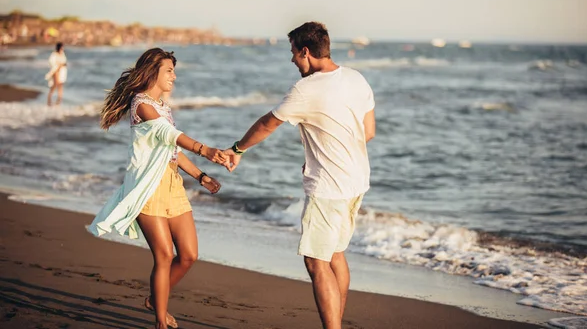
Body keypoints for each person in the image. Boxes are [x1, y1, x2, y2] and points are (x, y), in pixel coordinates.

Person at [224, 22, 376, 329]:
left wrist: (237, 149)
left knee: (315, 261)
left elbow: (268, 124)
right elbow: (368, 132)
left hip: (329, 189)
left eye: (293, 53)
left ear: (305, 51)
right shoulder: (356, 78)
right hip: (357, 181)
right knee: (335, 254)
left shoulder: (306, 89)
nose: (292, 60)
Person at [88, 48, 229, 329]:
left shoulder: (163, 107)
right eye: (169, 71)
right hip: (148, 187)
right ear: (153, 71)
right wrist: (206, 149)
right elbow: (167, 134)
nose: (174, 77)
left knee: (188, 255)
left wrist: (200, 176)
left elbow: (172, 148)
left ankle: (155, 298)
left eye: (174, 71)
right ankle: (159, 322)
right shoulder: (141, 105)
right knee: (164, 255)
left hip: (172, 185)